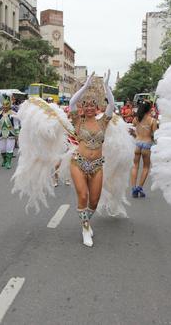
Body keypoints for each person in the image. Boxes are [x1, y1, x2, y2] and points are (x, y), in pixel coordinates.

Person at [67, 72, 115, 247]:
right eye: (85, 105)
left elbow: (112, 105)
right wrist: (85, 87)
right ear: (82, 108)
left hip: (97, 166)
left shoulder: (103, 122)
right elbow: (71, 102)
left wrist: (106, 87)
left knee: (94, 201)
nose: (88, 108)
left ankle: (86, 220)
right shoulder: (77, 121)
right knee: (83, 195)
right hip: (78, 163)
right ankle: (85, 228)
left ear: (96, 108)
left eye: (92, 105)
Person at [130, 100, 157, 198]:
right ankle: (139, 188)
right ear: (149, 109)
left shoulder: (136, 119)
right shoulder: (152, 121)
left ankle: (133, 188)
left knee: (135, 166)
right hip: (147, 144)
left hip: (137, 144)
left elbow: (132, 129)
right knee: (146, 167)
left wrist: (135, 134)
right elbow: (155, 135)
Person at [0, 95, 20, 169]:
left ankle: (8, 162)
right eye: (4, 105)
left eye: (7, 105)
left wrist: (17, 134)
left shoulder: (13, 114)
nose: (5, 107)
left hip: (11, 133)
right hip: (2, 134)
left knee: (9, 148)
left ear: (9, 105)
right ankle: (4, 160)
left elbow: (16, 125)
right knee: (2, 149)